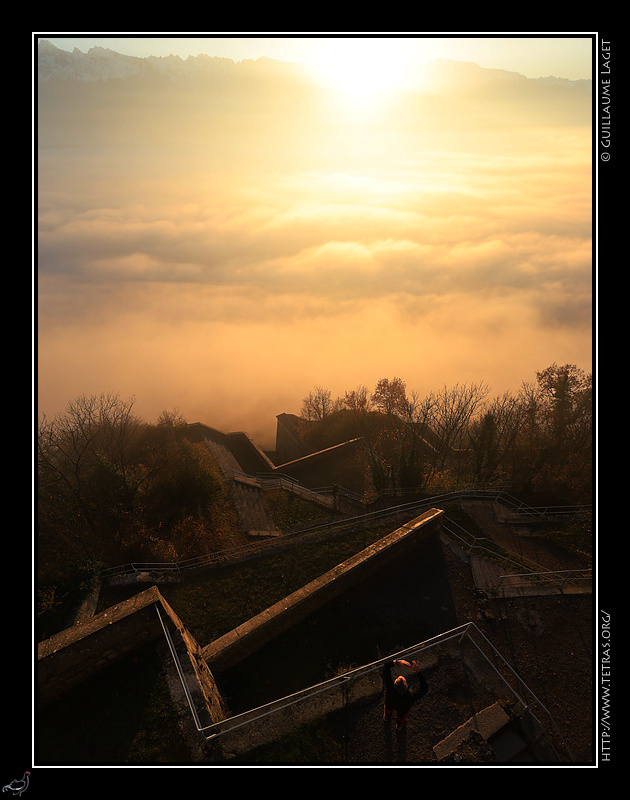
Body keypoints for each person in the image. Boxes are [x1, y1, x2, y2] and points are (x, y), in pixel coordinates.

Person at [382, 658, 428, 730]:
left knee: (388, 708)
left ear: (394, 683)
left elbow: (385, 667)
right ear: (406, 686)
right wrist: (418, 671)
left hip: (390, 701)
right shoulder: (410, 696)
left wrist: (397, 662)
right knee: (401, 716)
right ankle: (399, 726)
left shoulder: (390, 688)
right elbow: (424, 689)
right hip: (403, 708)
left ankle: (387, 717)